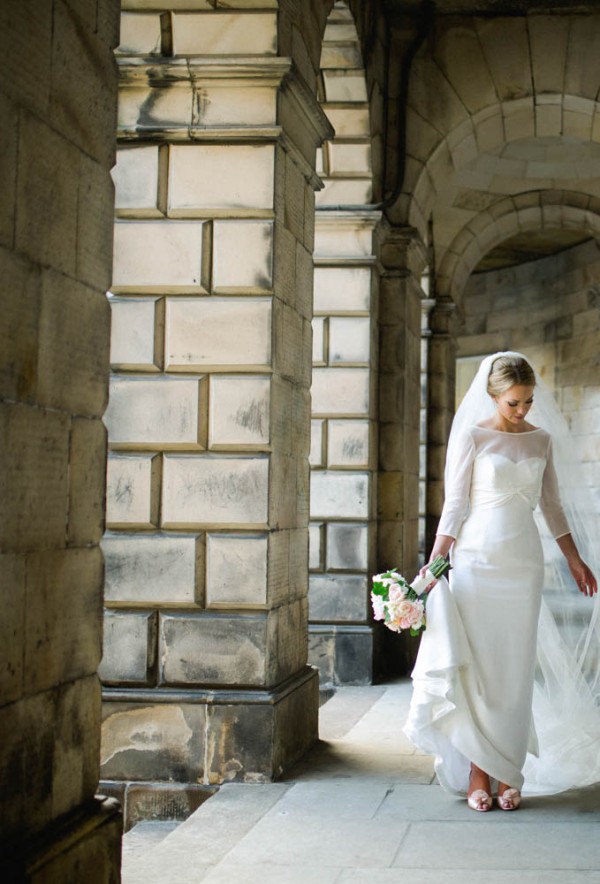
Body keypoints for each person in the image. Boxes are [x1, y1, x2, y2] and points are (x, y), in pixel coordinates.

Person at [403, 351, 600, 812]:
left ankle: (509, 769)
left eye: (528, 401)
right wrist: (433, 567)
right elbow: (454, 506)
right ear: (493, 396)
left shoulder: (541, 440)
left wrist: (574, 560)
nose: (522, 410)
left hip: (522, 564)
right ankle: (477, 769)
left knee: (513, 668)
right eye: (514, 402)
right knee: (480, 666)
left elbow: (551, 507)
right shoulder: (473, 436)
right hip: (476, 561)